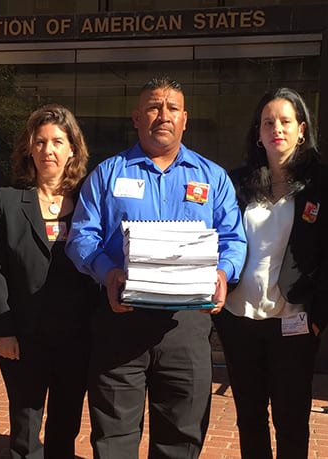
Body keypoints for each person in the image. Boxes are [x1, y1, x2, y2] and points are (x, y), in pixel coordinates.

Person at [66, 77, 247, 458]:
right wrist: (106, 271)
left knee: (181, 439)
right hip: (121, 319)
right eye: (153, 107)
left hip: (187, 324)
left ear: (185, 119)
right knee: (114, 439)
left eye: (171, 108)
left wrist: (224, 272)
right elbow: (82, 236)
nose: (162, 115)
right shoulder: (107, 174)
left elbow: (234, 239)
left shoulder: (212, 178)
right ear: (136, 117)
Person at [214, 88, 328, 458]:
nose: (277, 129)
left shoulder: (323, 182)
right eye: (268, 122)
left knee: (291, 421)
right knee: (249, 418)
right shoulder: (235, 183)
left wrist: (319, 318)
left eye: (285, 121)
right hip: (239, 319)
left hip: (294, 322)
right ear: (258, 132)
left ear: (301, 129)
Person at [0, 104, 99, 458]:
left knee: (65, 425)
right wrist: (3, 330)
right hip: (23, 337)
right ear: (29, 148)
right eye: (40, 141)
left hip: (77, 338)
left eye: (58, 142)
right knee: (24, 426)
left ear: (72, 150)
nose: (49, 150)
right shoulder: (6, 200)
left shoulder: (90, 203)